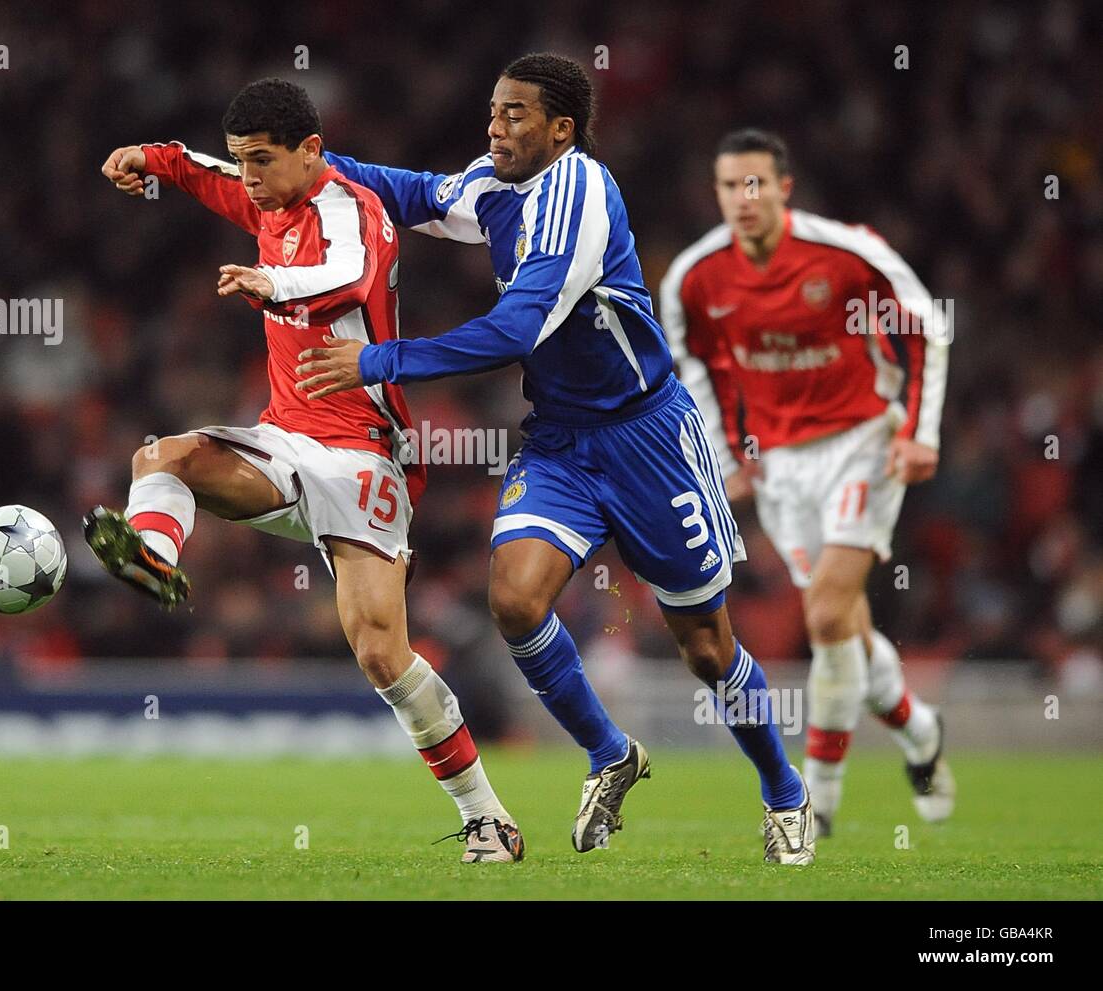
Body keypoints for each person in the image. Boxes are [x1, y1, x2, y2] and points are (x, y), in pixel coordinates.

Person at [296, 54, 814, 863]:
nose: (494, 127)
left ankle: (785, 792)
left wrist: (377, 360)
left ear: (561, 129)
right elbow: (409, 192)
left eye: (514, 115)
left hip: (649, 438)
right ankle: (611, 753)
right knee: (514, 600)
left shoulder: (580, 199)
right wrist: (305, 162)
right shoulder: (496, 183)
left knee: (707, 645)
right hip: (563, 440)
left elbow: (513, 330)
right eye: (493, 111)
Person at [90, 78, 524, 863]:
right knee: (163, 456)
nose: (249, 176)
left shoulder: (351, 204)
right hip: (286, 440)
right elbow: (197, 170)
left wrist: (273, 283)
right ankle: (155, 556)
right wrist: (145, 158)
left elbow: (351, 276)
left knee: (382, 655)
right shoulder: (260, 195)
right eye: (242, 161)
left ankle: (486, 817)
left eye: (262, 160)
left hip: (365, 449)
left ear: (311, 151)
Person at [658, 128, 956, 836]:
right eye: (730, 186)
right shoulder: (696, 278)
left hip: (862, 443)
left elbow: (925, 329)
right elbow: (696, 369)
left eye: (756, 184)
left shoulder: (846, 252)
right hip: (783, 470)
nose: (743, 198)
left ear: (784, 188)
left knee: (824, 616)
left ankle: (815, 802)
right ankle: (920, 730)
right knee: (847, 628)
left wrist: (922, 431)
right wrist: (727, 456)